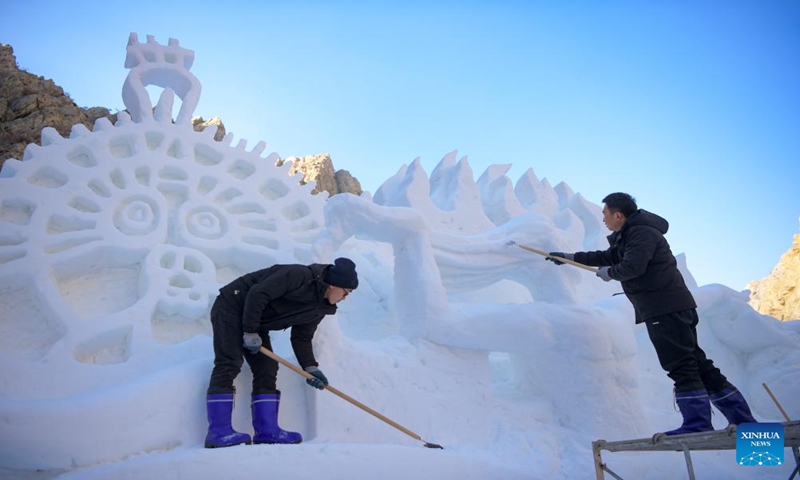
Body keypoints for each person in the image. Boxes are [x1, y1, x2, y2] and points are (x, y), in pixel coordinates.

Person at [545, 192, 756, 435]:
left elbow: (632, 267)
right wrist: (570, 258)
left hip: (663, 307)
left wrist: (609, 273)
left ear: (618, 214)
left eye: (605, 214)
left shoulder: (641, 233)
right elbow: (605, 256)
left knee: (680, 364)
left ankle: (697, 424)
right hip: (671, 306)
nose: (603, 219)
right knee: (698, 363)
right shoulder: (631, 235)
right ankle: (744, 422)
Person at [204, 257, 359, 448]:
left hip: (256, 320)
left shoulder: (320, 307)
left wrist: (311, 368)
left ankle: (267, 431)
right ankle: (219, 432)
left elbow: (302, 337)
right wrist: (250, 330)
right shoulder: (298, 276)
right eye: (346, 292)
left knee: (267, 366)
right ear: (333, 285)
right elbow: (258, 293)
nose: (344, 298)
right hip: (232, 305)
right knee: (229, 361)